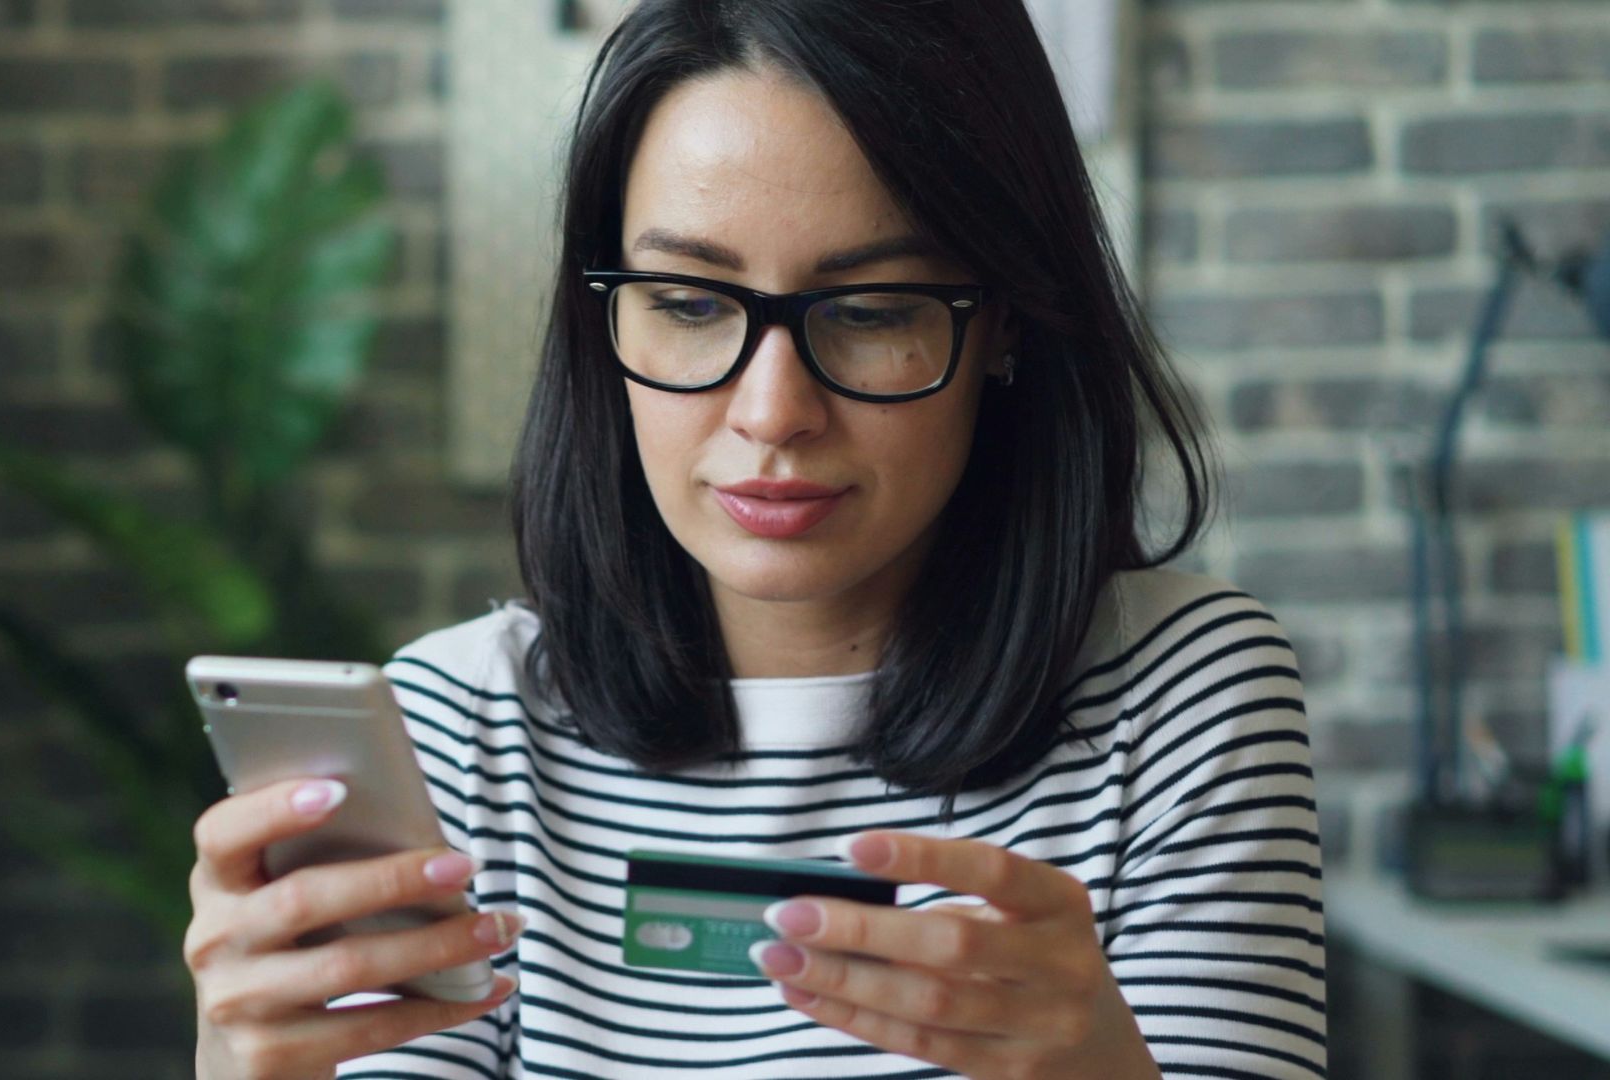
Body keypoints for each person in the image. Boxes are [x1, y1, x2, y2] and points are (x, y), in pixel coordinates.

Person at [185, 0, 1327, 1076]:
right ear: (605, 318)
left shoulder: (1183, 696)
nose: (773, 412)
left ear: (1007, 323)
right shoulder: (461, 729)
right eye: (688, 304)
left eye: (871, 310)